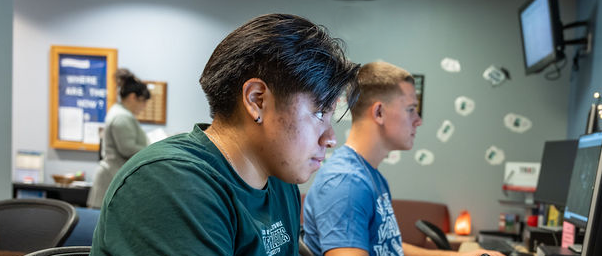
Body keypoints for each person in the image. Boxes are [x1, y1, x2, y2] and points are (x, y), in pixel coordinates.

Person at [90, 13, 359, 256]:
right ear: (257, 100)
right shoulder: (171, 182)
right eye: (319, 112)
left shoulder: (278, 180)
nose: (331, 138)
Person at [302, 61, 503, 256]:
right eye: (410, 109)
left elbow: (388, 247)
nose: (419, 120)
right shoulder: (346, 183)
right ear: (379, 112)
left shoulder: (368, 175)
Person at [87, 68, 150, 208]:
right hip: (110, 178)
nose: (144, 107)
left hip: (113, 176)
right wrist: (152, 148)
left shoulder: (121, 113)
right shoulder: (122, 117)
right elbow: (127, 148)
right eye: (143, 101)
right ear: (133, 97)